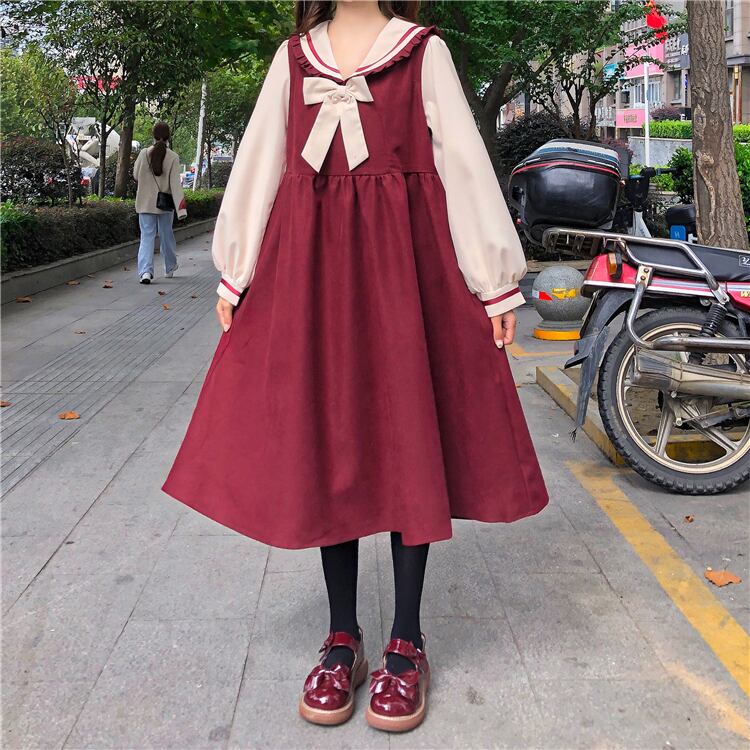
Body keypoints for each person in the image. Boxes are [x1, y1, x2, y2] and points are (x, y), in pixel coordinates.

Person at [163, 0, 548, 732]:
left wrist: (495, 281)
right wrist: (236, 272)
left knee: (409, 440)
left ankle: (407, 639)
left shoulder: (422, 53)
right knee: (329, 442)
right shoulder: (293, 60)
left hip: (408, 278)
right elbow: (258, 167)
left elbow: (465, 168)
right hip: (313, 279)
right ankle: (343, 636)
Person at [132, 122, 187, 284]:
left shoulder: (143, 154)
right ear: (169, 136)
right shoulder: (173, 157)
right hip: (165, 204)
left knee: (146, 237)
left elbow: (136, 175)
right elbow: (175, 185)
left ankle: (145, 272)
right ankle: (170, 267)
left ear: (153, 135)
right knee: (166, 235)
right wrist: (181, 209)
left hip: (145, 203)